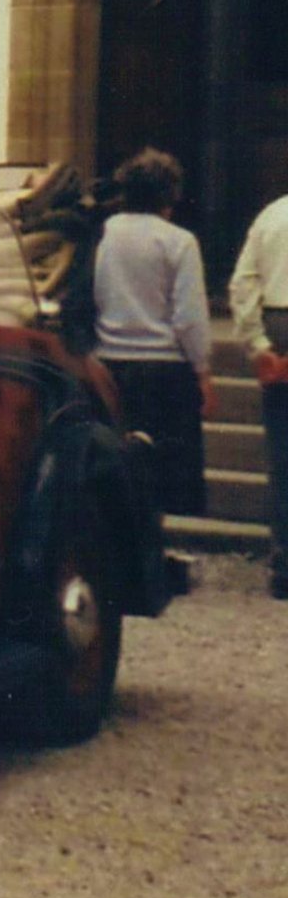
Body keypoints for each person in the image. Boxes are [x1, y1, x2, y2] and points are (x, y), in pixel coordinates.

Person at [92, 147, 214, 517]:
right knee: (168, 479)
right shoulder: (178, 241)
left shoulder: (103, 234)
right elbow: (189, 316)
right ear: (169, 195)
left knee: (115, 475)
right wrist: (203, 371)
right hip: (164, 370)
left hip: (109, 364)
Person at [229, 190, 288, 596]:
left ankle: (285, 563)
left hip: (279, 323)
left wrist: (258, 343)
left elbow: (242, 282)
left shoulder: (273, 215)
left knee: (283, 453)